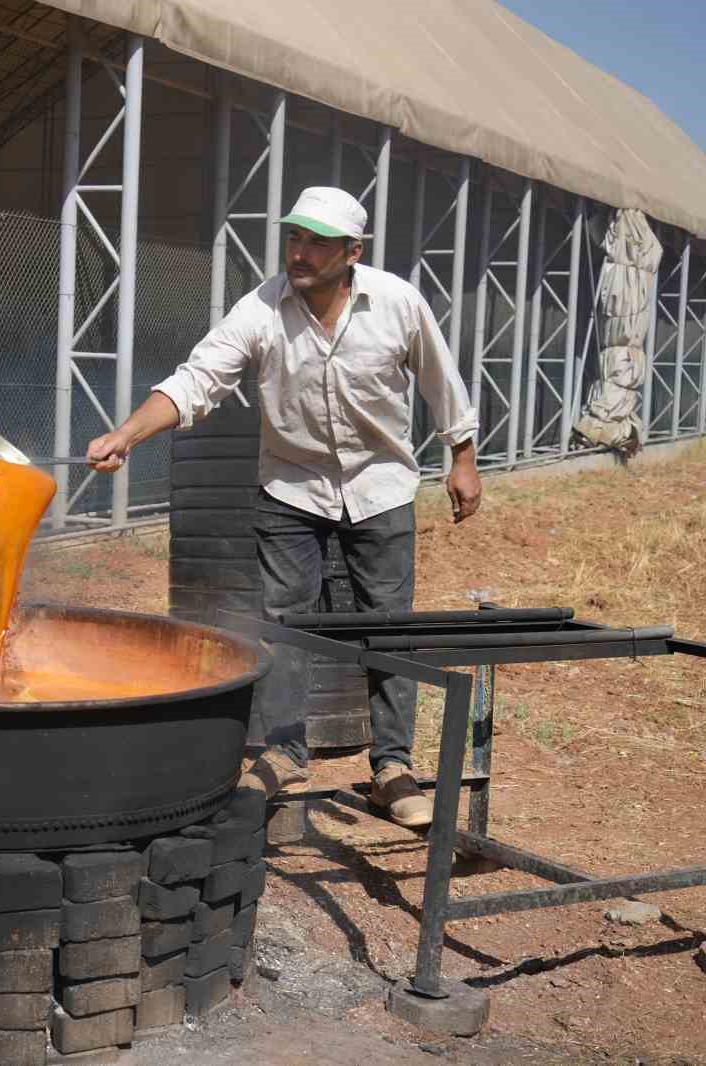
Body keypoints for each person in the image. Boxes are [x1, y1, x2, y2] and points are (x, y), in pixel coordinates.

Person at [87, 187, 483, 830]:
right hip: (291, 487)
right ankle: (283, 753)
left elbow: (441, 380)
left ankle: (392, 765)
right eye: (294, 238)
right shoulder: (262, 309)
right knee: (282, 623)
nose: (300, 252)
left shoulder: (397, 303)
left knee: (387, 626)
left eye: (317, 242)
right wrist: (126, 435)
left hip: (380, 484)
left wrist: (461, 457)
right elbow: (198, 379)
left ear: (352, 252)